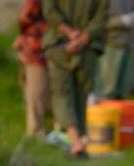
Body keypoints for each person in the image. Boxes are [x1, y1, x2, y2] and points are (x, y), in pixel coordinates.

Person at [42, 0, 109, 156]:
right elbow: (102, 17)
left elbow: (50, 12)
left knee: (62, 94)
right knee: (81, 93)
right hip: (87, 48)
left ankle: (75, 140)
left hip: (59, 43)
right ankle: (78, 140)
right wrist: (83, 38)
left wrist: (70, 33)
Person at [13, 0, 49, 137]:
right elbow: (25, 18)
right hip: (35, 50)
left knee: (39, 93)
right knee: (36, 92)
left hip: (41, 48)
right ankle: (35, 132)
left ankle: (40, 129)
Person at [96, 0, 134, 100]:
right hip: (110, 45)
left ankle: (121, 114)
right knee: (107, 89)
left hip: (128, 45)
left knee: (123, 90)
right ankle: (104, 114)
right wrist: (120, 21)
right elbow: (96, 22)